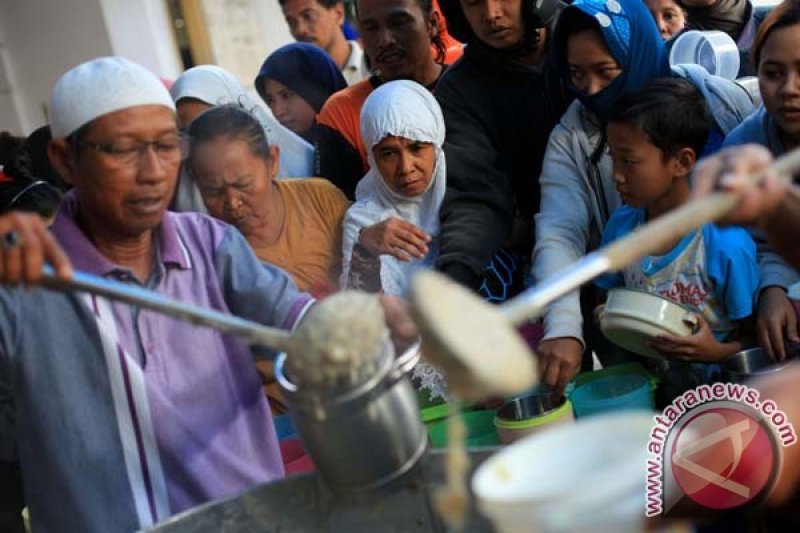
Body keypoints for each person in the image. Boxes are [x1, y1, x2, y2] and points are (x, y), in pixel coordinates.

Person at [0, 56, 415, 533]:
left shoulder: (209, 245)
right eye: (121, 149)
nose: (153, 172)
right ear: (64, 161)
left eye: (165, 146)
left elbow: (292, 321)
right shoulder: (25, 287)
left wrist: (357, 324)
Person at [531, 0, 754, 391]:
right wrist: (565, 325)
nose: (592, 90)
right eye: (576, 74)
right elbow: (559, 232)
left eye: (605, 71)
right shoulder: (574, 141)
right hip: (651, 378)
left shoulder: (716, 101)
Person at [595, 78, 758, 397]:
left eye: (628, 160)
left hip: (722, 396)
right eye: (612, 158)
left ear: (681, 162)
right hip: (651, 393)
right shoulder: (621, 228)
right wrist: (605, 314)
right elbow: (606, 296)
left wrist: (715, 353)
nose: (616, 174)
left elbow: (756, 339)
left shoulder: (724, 243)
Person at [434, 0, 570, 303]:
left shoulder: (589, 42)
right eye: (472, 2)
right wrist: (457, 278)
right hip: (538, 266)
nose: (491, 14)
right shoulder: (459, 90)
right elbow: (472, 199)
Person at [187, 105, 350, 297]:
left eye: (243, 184)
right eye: (213, 191)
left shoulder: (320, 198)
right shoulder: (206, 253)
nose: (232, 202)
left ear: (272, 162)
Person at [722, 1, 800, 362]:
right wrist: (772, 287)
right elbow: (755, 240)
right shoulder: (744, 147)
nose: (789, 89)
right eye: (773, 73)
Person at [316, 0, 448, 200]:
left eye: (399, 22)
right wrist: (366, 231)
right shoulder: (340, 114)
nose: (385, 40)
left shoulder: (470, 90)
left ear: (432, 23)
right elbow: (334, 211)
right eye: (371, 28)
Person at [341, 80, 445, 297]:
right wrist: (365, 251)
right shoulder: (365, 220)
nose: (406, 168)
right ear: (372, 158)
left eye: (416, 147)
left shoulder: (467, 188)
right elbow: (362, 312)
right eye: (388, 154)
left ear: (436, 144)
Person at [170, 65, 314, 213]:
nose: (200, 142)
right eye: (185, 131)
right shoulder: (173, 191)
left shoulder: (307, 170)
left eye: (209, 127)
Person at [255, 42, 347, 144]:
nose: (278, 112)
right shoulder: (277, 152)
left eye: (286, 95)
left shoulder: (361, 139)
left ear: (317, 90)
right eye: (270, 100)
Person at [279, 0, 370, 85]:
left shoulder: (373, 68)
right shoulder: (295, 85)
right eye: (291, 22)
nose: (300, 30)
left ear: (338, 13)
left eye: (308, 16)